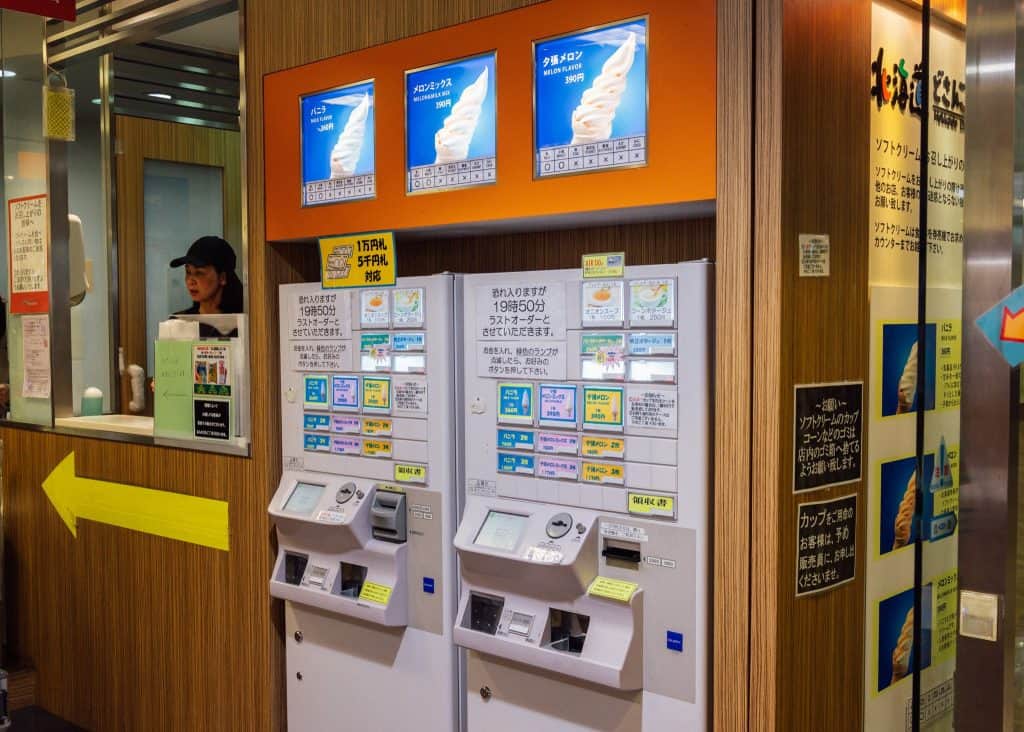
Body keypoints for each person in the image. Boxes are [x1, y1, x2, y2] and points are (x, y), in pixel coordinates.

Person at [170, 235, 244, 315]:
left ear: (222, 277)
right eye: (188, 272)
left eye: (199, 272)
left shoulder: (246, 320)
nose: (189, 281)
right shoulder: (179, 320)